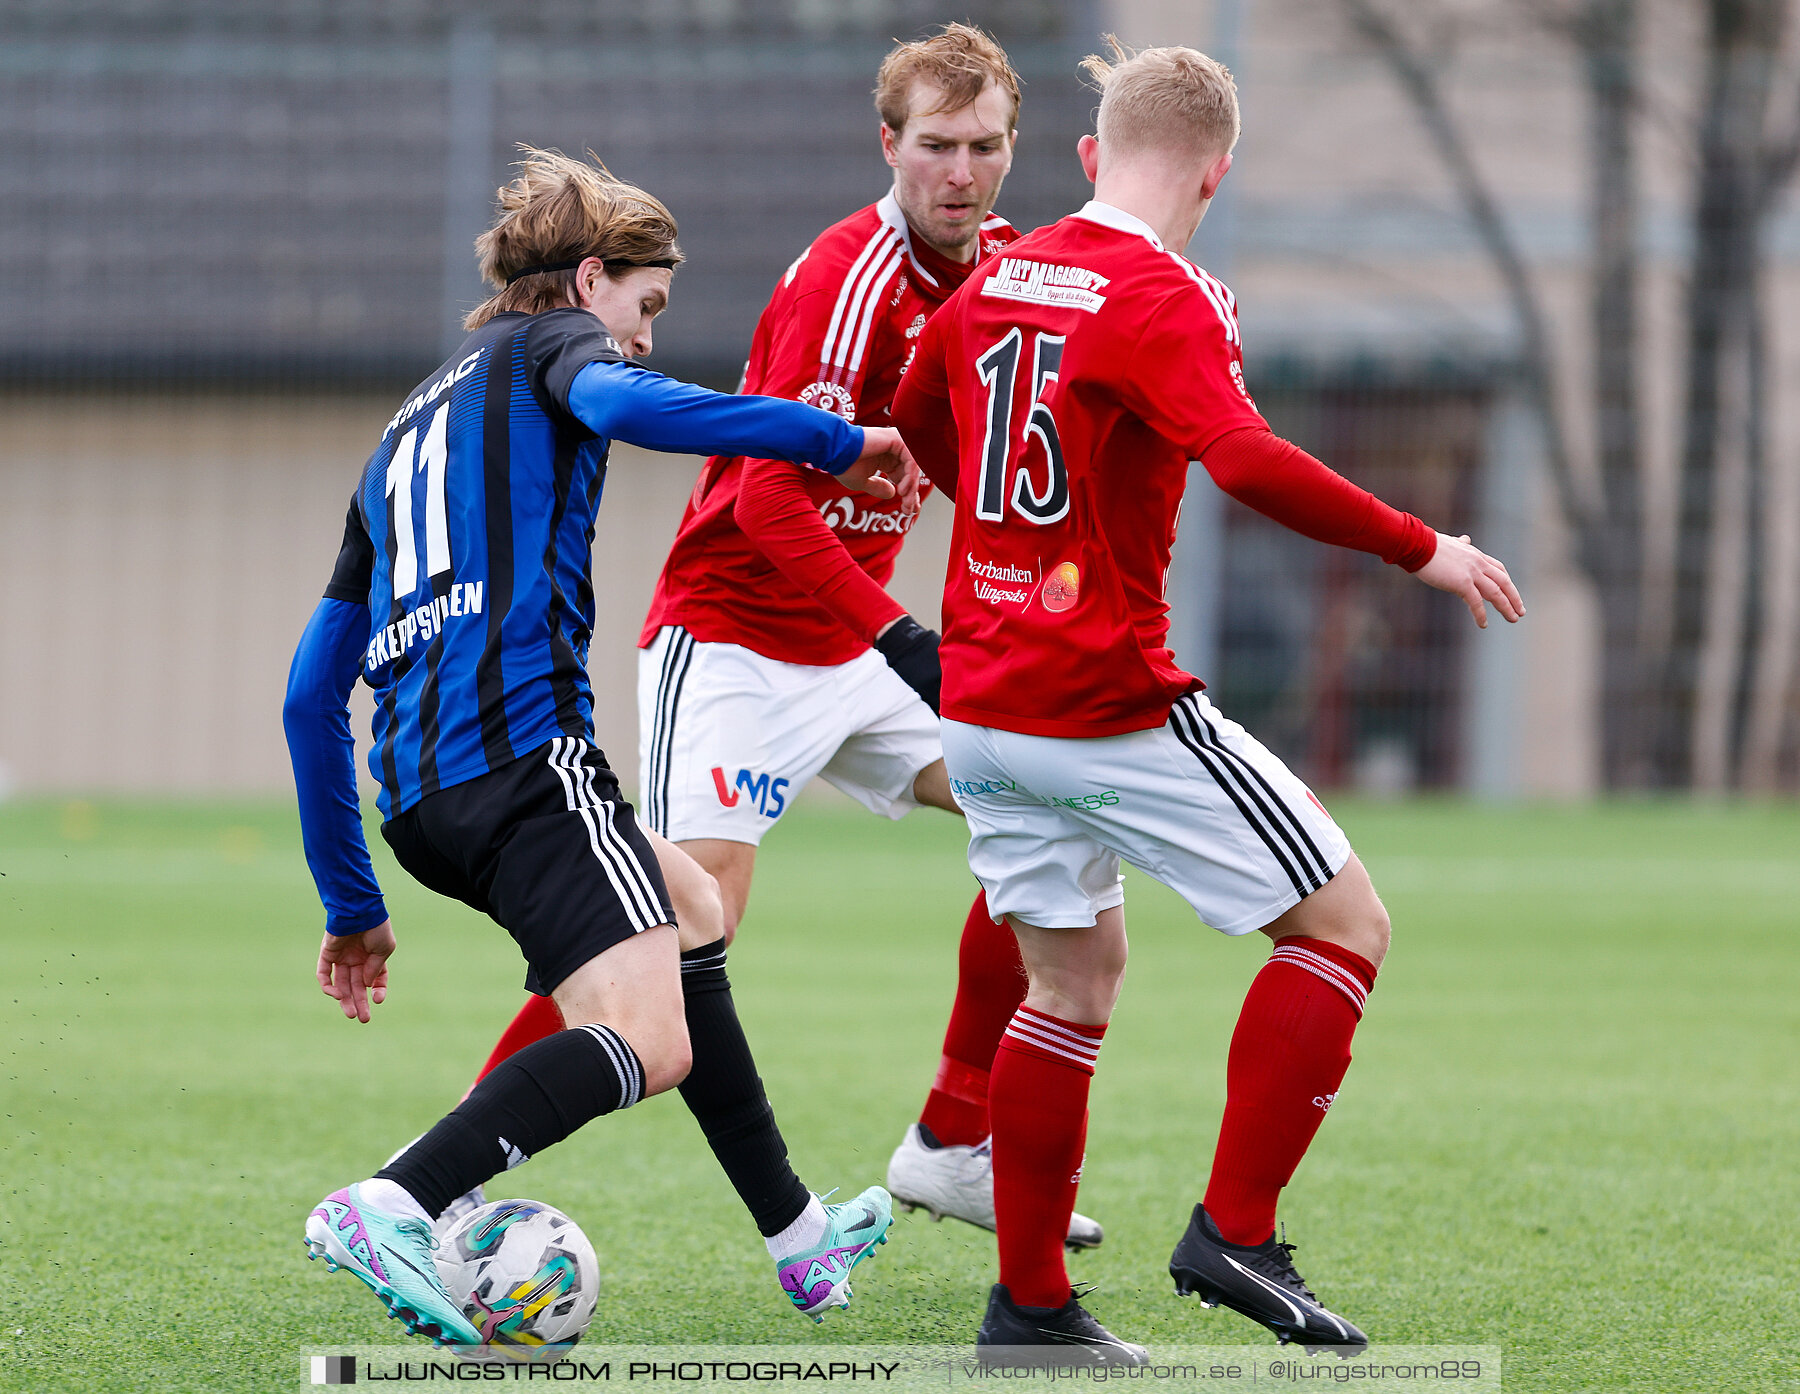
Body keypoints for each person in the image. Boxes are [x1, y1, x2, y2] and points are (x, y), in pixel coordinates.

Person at [892, 40, 1524, 1364]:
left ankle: (1030, 1311)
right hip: (1098, 695)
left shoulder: (1001, 268)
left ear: (1085, 157)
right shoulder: (1167, 292)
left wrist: (1010, 545)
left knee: (1067, 983)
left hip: (984, 698)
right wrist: (1427, 546)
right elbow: (1241, 458)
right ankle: (1234, 1228)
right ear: (1216, 176)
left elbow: (916, 405)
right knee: (1346, 923)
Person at [461, 23, 1102, 1252]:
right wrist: (904, 636)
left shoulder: (1010, 268)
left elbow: (973, 461)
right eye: (935, 147)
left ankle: (953, 1139)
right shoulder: (840, 280)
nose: (960, 173)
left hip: (857, 644)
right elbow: (760, 496)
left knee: (1060, 805)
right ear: (889, 145)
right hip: (740, 631)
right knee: (669, 927)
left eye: (984, 147)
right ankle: (459, 1159)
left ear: (1015, 149)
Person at [284, 148, 918, 1346]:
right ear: (588, 279)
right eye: (646, 306)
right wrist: (830, 439)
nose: (641, 336)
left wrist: (350, 899)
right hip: (525, 758)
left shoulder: (401, 434)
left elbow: (309, 695)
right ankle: (398, 1197)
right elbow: (629, 403)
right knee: (647, 1036)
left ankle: (797, 1234)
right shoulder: (547, 350)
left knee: (693, 909)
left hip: (424, 800)